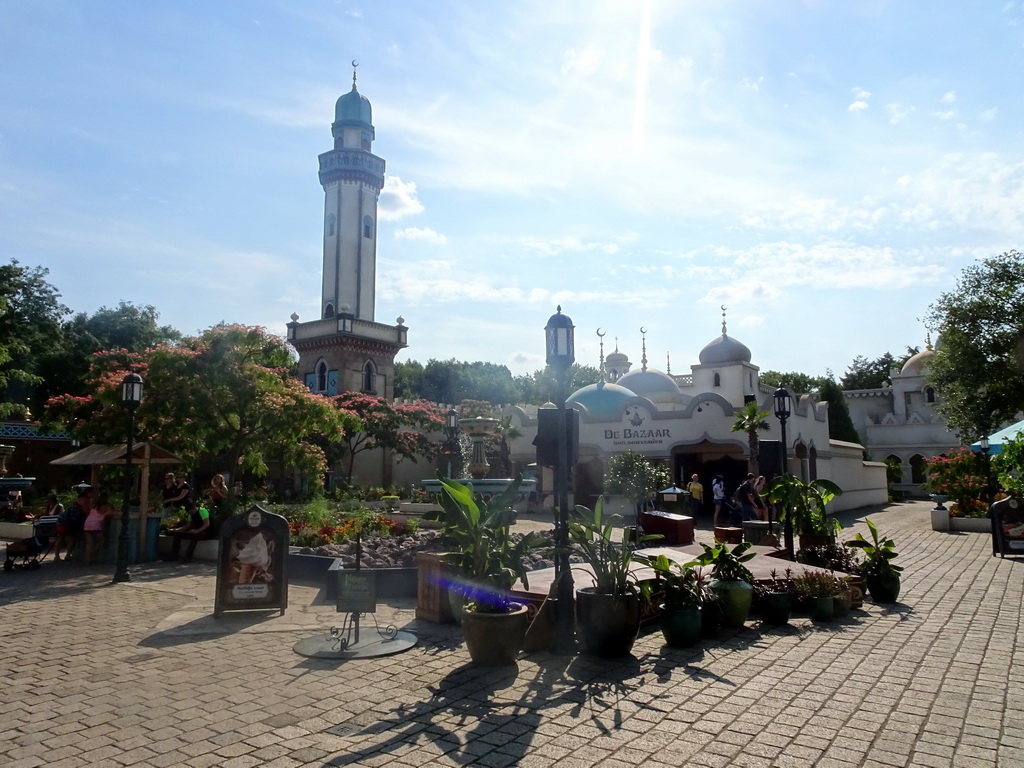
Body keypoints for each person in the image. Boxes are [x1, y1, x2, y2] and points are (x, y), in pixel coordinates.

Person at [53, 486, 94, 561]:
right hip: (70, 521)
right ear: (89, 493)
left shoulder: (80, 498)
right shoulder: (85, 499)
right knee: (70, 538)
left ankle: (58, 556)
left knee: (62, 538)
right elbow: (86, 511)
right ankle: (66, 555)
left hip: (64, 520)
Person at [83, 494, 117, 564]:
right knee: (102, 540)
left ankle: (87, 559)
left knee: (89, 543)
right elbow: (114, 513)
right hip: (95, 524)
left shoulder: (94, 505)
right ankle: (92, 552)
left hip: (87, 523)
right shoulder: (105, 506)